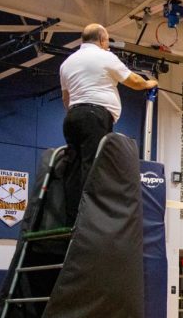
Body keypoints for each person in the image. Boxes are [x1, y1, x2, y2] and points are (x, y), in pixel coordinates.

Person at [59, 23, 158, 224]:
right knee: (93, 165)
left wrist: (78, 113)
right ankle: (91, 219)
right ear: (102, 40)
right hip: (94, 116)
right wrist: (150, 83)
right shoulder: (105, 57)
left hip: (72, 117)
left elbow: (65, 98)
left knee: (74, 167)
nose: (108, 45)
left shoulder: (67, 63)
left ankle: (72, 218)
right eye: (107, 41)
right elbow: (133, 81)